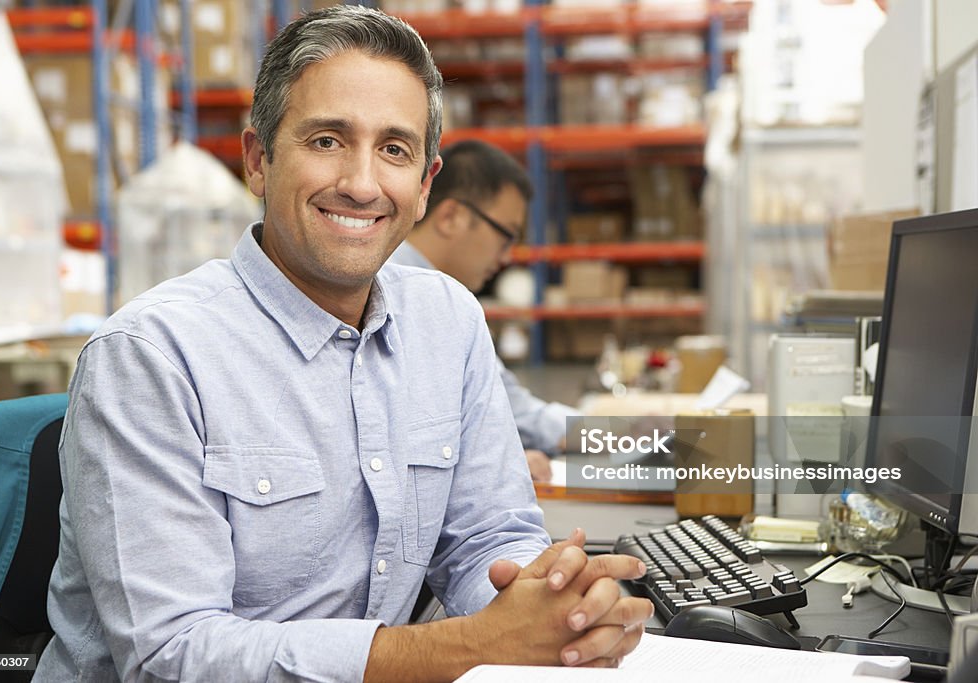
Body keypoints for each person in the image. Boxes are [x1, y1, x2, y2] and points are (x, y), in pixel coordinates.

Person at [34, 7, 652, 682]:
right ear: (258, 161)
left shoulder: (449, 320)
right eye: (327, 140)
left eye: (394, 149)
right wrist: (472, 644)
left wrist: (554, 610)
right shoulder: (152, 356)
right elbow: (173, 655)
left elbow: (488, 536)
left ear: (423, 185)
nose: (361, 183)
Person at [389, 140, 579, 482]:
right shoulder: (412, 297)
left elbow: (507, 408)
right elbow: (516, 416)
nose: (506, 257)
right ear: (451, 217)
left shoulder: (445, 301)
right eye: (505, 236)